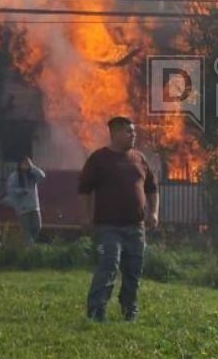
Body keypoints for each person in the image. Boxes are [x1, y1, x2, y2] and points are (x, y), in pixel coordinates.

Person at [78, 116, 159, 323]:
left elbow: (152, 188)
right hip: (108, 227)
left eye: (133, 131)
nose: (133, 135)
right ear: (114, 133)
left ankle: (129, 310)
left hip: (136, 227)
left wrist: (154, 212)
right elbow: (84, 190)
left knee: (133, 271)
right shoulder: (99, 159)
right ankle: (97, 312)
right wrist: (85, 217)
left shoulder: (139, 158)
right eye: (128, 131)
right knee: (108, 265)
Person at [4, 156, 47, 245]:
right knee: (26, 230)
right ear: (20, 164)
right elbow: (10, 190)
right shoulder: (14, 176)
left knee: (37, 226)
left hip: (34, 206)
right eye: (24, 163)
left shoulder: (32, 174)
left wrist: (33, 167)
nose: (26, 165)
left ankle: (31, 243)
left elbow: (42, 176)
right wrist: (20, 191)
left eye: (27, 163)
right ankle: (29, 247)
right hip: (22, 208)